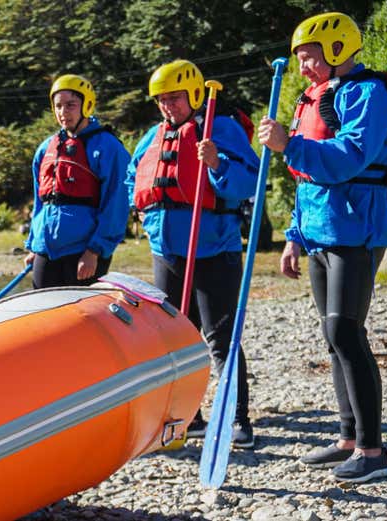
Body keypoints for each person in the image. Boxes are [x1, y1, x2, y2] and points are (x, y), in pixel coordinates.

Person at [258, 12, 387, 482]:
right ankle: (347, 438)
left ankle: (374, 451)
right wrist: (293, 238)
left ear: (338, 49)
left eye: (310, 56)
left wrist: (287, 145)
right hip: (319, 226)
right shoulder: (316, 97)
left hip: (355, 226)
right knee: (331, 334)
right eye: (299, 57)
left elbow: (348, 158)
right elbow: (306, 182)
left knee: (345, 332)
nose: (303, 66)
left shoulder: (368, 93)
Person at [126, 60, 260, 448]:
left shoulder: (221, 128)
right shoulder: (152, 136)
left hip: (213, 248)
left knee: (219, 337)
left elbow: (249, 181)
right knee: (176, 339)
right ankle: (190, 417)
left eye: (175, 98)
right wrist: (141, 210)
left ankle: (238, 419)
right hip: (167, 250)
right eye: (162, 100)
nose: (168, 106)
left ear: (196, 95)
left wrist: (217, 162)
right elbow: (132, 178)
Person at [24, 74, 129, 288]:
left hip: (84, 251)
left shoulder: (108, 147)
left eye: (71, 105)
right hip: (46, 249)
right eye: (58, 106)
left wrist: (95, 251)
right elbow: (40, 202)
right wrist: (34, 245)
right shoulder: (46, 148)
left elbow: (116, 204)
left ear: (86, 104)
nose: (64, 112)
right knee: (45, 316)